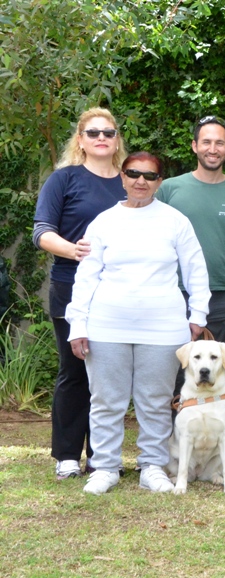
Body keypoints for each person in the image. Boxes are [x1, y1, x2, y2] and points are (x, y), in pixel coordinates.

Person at [65, 152, 210, 495]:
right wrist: (78, 324)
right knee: (106, 399)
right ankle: (105, 467)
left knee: (156, 400)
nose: (141, 181)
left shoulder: (175, 221)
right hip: (106, 325)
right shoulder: (103, 222)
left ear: (160, 182)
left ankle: (152, 466)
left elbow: (196, 271)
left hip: (163, 327)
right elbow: (86, 276)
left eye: (150, 175)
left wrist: (197, 316)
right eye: (133, 173)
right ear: (122, 177)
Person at [33, 107, 127, 481]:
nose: (101, 138)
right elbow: (42, 231)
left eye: (108, 132)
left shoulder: (128, 180)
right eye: (93, 133)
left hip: (120, 292)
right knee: (75, 371)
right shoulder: (64, 180)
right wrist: (73, 250)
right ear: (81, 140)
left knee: (109, 375)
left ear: (117, 139)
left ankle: (102, 456)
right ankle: (68, 454)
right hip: (72, 287)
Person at [158, 115, 225, 466]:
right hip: (175, 296)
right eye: (206, 142)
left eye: (220, 142)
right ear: (194, 146)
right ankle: (166, 453)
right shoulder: (170, 189)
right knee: (169, 374)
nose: (213, 148)